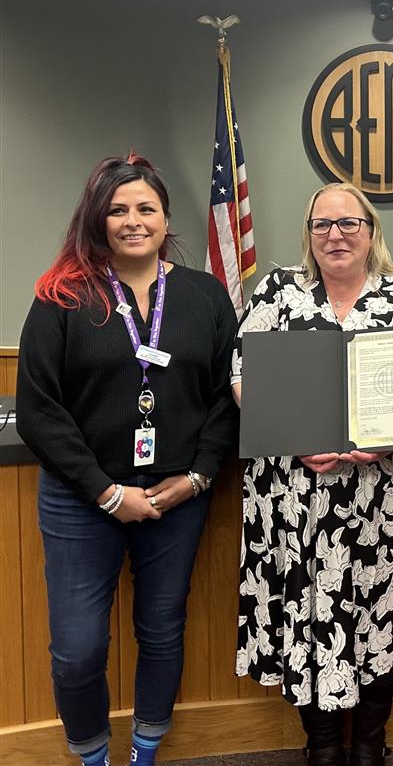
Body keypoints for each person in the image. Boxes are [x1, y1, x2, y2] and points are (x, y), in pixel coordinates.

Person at [16, 155, 239, 766]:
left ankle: (144, 752)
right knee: (78, 648)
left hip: (177, 496)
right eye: (118, 209)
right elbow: (39, 412)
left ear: (167, 218)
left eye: (146, 208)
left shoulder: (206, 295)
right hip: (80, 497)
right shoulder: (61, 295)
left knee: (162, 631)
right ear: (98, 218)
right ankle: (92, 756)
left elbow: (225, 397)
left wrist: (196, 478)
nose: (133, 221)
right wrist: (106, 492)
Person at [231, 182, 393, 766]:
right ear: (308, 234)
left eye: (349, 223)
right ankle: (322, 742)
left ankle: (370, 741)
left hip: (388, 498)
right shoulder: (278, 293)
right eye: (322, 224)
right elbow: (241, 375)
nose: (335, 235)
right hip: (296, 496)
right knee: (306, 612)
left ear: (371, 230)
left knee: (381, 611)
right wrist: (292, 435)